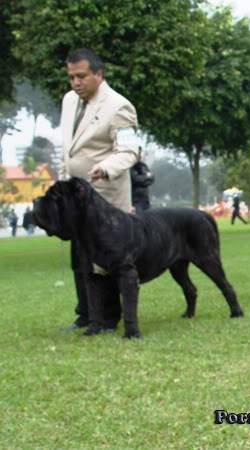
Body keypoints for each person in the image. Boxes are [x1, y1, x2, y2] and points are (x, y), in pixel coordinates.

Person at [59, 48, 140, 330]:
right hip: (76, 200)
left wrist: (105, 167)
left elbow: (129, 151)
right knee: (80, 258)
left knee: (107, 261)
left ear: (98, 74)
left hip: (105, 196)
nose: (76, 83)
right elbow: (68, 149)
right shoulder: (69, 101)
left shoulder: (119, 106)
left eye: (81, 76)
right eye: (71, 77)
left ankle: (108, 316)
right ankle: (86, 313)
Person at [130, 148, 155, 214]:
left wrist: (141, 179)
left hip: (145, 201)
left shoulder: (142, 165)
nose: (140, 156)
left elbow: (152, 179)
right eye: (138, 153)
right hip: (135, 201)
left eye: (140, 153)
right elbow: (135, 179)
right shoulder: (129, 167)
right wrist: (146, 177)